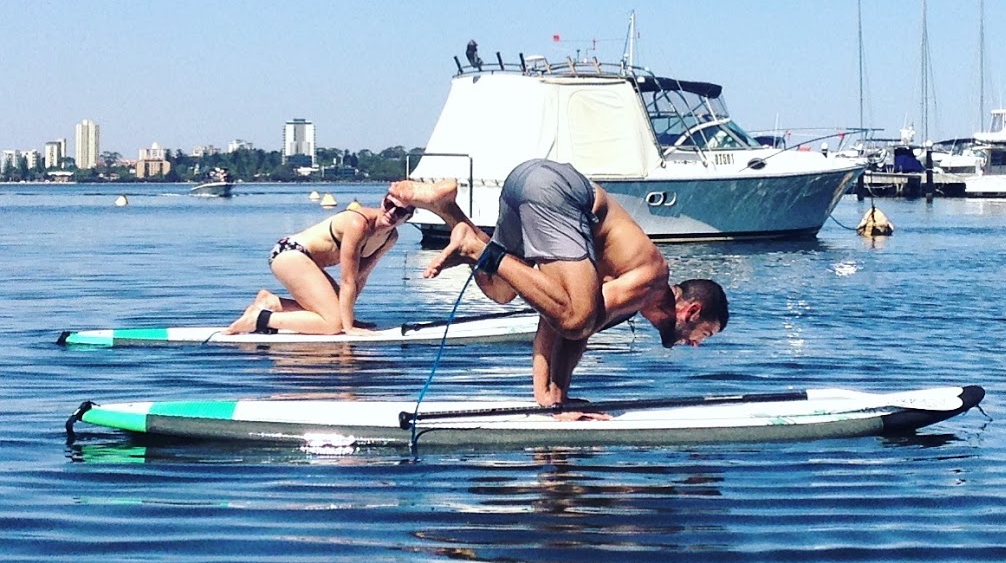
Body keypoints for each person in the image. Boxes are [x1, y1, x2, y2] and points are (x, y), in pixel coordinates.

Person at [388, 159, 728, 407]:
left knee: (501, 290)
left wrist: (546, 397)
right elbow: (573, 327)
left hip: (526, 180)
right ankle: (475, 247)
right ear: (691, 310)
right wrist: (557, 400)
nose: (697, 344)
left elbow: (551, 318)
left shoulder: (632, 294)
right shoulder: (652, 281)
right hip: (560, 193)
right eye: (705, 334)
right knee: (578, 318)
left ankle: (447, 209)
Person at [224, 192, 414, 335]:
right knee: (333, 324)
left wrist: (350, 319)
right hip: (289, 253)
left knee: (337, 315)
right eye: (389, 204)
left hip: (307, 262)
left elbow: (359, 277)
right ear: (383, 201)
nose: (391, 213)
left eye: (400, 211)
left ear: (408, 217)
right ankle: (258, 319)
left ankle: (272, 303)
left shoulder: (390, 238)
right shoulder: (359, 223)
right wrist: (347, 326)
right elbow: (347, 279)